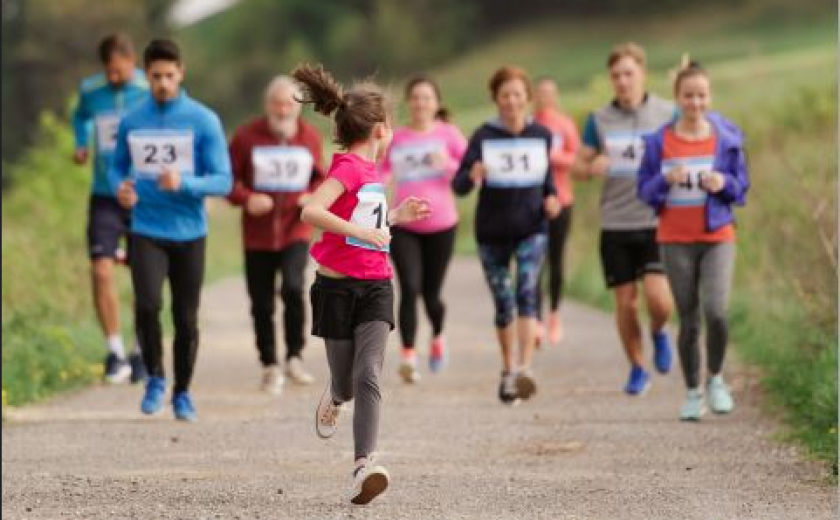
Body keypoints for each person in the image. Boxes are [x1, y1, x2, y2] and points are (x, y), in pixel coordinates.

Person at [293, 64, 431, 505]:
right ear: (378, 128)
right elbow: (311, 212)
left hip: (376, 286)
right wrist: (375, 232)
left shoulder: (373, 173)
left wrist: (393, 218)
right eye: (390, 122)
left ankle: (362, 467)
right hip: (336, 290)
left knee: (369, 373)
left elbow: (360, 224)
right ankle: (334, 394)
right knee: (347, 383)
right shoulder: (351, 168)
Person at [108, 39, 232, 422]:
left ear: (181, 73)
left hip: (189, 231)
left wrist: (186, 183)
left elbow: (224, 181)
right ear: (146, 76)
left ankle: (182, 393)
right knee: (147, 305)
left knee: (186, 317)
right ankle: (156, 380)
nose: (163, 82)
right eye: (156, 76)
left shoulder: (203, 120)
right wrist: (120, 188)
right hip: (145, 226)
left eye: (169, 75)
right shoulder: (132, 120)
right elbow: (116, 167)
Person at [637, 58, 749, 420]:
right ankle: (692, 391)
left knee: (716, 311)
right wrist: (665, 181)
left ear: (709, 97)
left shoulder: (726, 139)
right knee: (688, 317)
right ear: (677, 98)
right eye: (688, 96)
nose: (695, 103)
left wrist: (723, 183)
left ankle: (716, 378)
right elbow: (644, 191)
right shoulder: (659, 142)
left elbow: (741, 187)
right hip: (674, 238)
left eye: (701, 95)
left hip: (717, 236)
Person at [571, 42, 675, 395]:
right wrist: (590, 166)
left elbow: (690, 145)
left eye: (629, 73)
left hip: (656, 220)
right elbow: (577, 166)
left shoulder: (666, 113)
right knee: (626, 303)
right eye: (616, 75)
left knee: (659, 301)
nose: (623, 81)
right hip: (615, 223)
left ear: (642, 73)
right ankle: (637, 367)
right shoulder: (599, 120)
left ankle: (660, 331)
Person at [453, 66, 560, 405]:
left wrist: (552, 198)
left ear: (527, 97)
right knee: (504, 303)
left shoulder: (541, 134)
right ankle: (507, 369)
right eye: (504, 95)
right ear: (496, 99)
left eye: (517, 94)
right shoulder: (483, 136)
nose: (511, 101)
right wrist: (473, 174)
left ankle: (525, 369)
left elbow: (547, 180)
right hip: (492, 232)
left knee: (528, 293)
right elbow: (459, 185)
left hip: (532, 228)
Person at [227, 75, 326, 394]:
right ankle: (269, 364)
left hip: (295, 229)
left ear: (298, 108)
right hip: (257, 234)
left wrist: (310, 195)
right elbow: (227, 180)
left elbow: (321, 180)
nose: (283, 110)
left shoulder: (309, 138)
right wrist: (246, 199)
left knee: (294, 288)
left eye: (289, 104)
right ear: (267, 105)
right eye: (277, 103)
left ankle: (295, 356)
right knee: (260, 302)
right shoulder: (246, 137)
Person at [71, 33, 149, 384]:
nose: (114, 78)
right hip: (104, 194)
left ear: (132, 62)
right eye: (109, 72)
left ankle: (141, 349)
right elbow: (80, 118)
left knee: (144, 274)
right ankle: (115, 352)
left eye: (120, 71)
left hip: (143, 195)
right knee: (101, 270)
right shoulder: (91, 90)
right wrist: (80, 143)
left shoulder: (150, 89)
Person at [381, 75, 467, 383]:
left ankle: (438, 335)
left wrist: (447, 165)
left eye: (426, 97)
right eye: (415, 97)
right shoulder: (398, 138)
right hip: (404, 224)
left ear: (436, 103)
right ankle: (408, 356)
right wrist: (377, 184)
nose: (420, 103)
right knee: (410, 288)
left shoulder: (450, 134)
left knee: (432, 295)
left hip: (442, 225)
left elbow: (471, 175)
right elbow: (384, 170)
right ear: (409, 102)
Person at [532, 76, 580, 347]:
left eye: (548, 92)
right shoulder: (528, 124)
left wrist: (551, 157)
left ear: (556, 95)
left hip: (562, 199)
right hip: (533, 202)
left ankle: (554, 314)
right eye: (539, 92)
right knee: (534, 261)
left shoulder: (564, 124)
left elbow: (575, 158)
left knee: (556, 259)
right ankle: (535, 319)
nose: (544, 97)